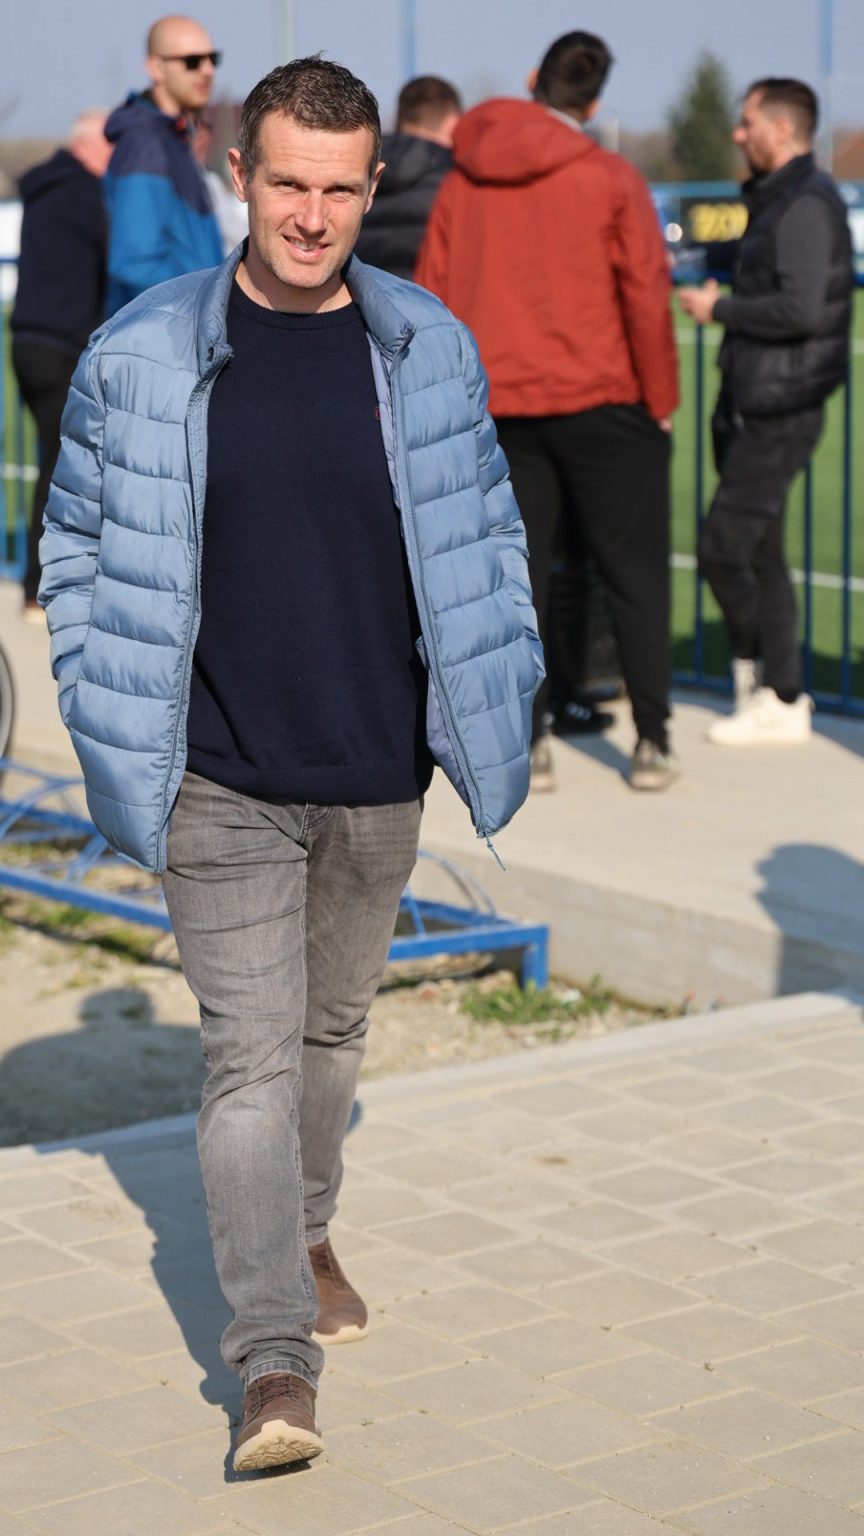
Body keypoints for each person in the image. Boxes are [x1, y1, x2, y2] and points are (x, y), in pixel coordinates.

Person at [39, 56, 541, 1474]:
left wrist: (497, 682)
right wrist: (97, 690)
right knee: (250, 1060)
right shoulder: (142, 351)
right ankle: (273, 1361)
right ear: (241, 180)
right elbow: (73, 544)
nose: (311, 216)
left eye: (338, 189)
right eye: (286, 185)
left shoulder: (428, 345)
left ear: (371, 188)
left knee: (331, 1038)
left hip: (379, 769)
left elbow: (491, 533)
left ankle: (308, 1228)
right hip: (217, 772)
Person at [416, 30, 679, 793]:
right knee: (633, 573)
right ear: (593, 102)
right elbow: (645, 295)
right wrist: (661, 399)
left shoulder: (463, 180)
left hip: (500, 405)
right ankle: (652, 740)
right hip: (604, 399)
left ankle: (528, 742)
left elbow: (431, 293)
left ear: (535, 78)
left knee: (514, 577)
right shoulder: (611, 177)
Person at [680, 78, 853, 746]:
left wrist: (717, 307)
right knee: (762, 553)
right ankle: (780, 696)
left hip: (781, 407)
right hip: (757, 398)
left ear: (781, 129)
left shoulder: (806, 201)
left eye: (747, 122)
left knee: (723, 548)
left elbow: (801, 308)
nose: (737, 133)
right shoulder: (779, 197)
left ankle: (770, 686)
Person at [10, 112, 112, 620]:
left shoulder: (44, 190)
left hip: (27, 341)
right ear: (91, 147)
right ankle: (39, 586)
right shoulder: (87, 197)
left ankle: (37, 582)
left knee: (51, 461)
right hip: (63, 346)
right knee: (62, 468)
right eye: (111, 143)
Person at [103, 13, 224, 313]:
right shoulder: (145, 145)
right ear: (155, 68)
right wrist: (200, 308)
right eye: (192, 61)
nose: (207, 70)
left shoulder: (173, 140)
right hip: (167, 330)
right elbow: (136, 263)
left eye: (212, 59)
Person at [354, 75, 461, 278]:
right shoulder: (453, 181)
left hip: (361, 294)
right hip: (426, 296)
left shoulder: (357, 169)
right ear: (453, 123)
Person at [193, 111, 249, 254]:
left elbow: (230, 226)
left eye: (207, 129)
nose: (201, 139)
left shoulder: (211, 181)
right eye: (194, 130)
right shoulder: (171, 182)